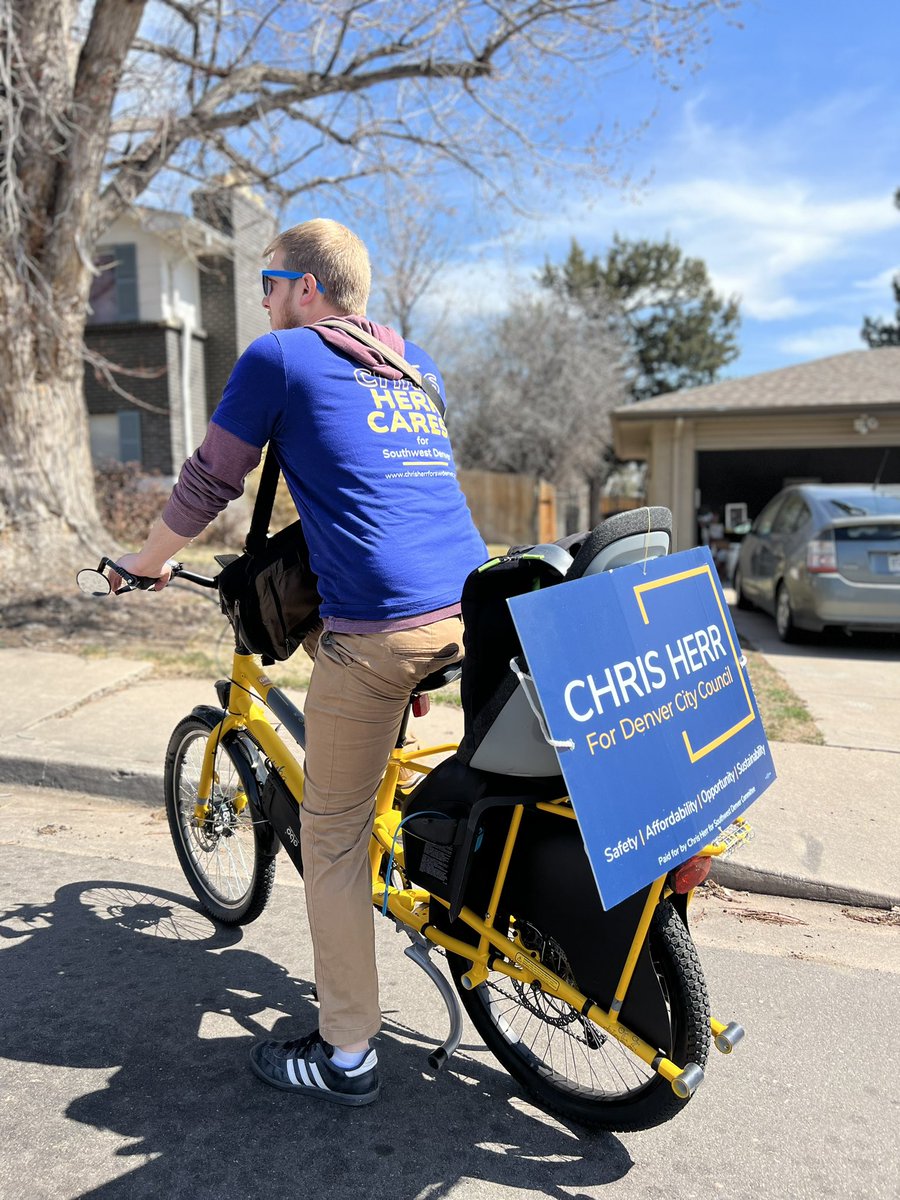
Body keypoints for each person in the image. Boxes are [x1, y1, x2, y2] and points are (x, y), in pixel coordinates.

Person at [112, 218, 487, 1106]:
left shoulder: (280, 357)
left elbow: (210, 479)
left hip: (385, 630)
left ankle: (347, 1052)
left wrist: (148, 560)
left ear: (306, 288)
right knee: (357, 658)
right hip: (472, 610)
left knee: (331, 835)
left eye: (270, 285)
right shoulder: (410, 361)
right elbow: (392, 489)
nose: (266, 302)